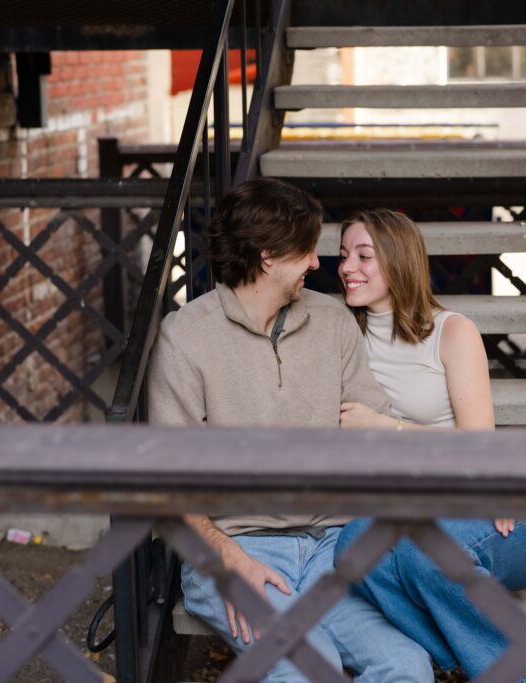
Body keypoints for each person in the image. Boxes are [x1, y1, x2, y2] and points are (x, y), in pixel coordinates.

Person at [147, 180, 433, 682]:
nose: (318, 264)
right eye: (306, 250)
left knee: (406, 665)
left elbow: (372, 432)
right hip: (239, 548)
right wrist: (227, 557)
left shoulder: (333, 321)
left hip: (332, 547)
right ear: (268, 257)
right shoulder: (188, 336)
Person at [334, 208, 526, 683]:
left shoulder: (452, 332)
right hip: (415, 509)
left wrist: (385, 427)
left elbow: (478, 446)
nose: (346, 267)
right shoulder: (342, 335)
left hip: (500, 505)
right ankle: (478, 664)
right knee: (354, 545)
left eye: (363, 255)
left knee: (424, 552)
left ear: (398, 261)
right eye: (343, 255)